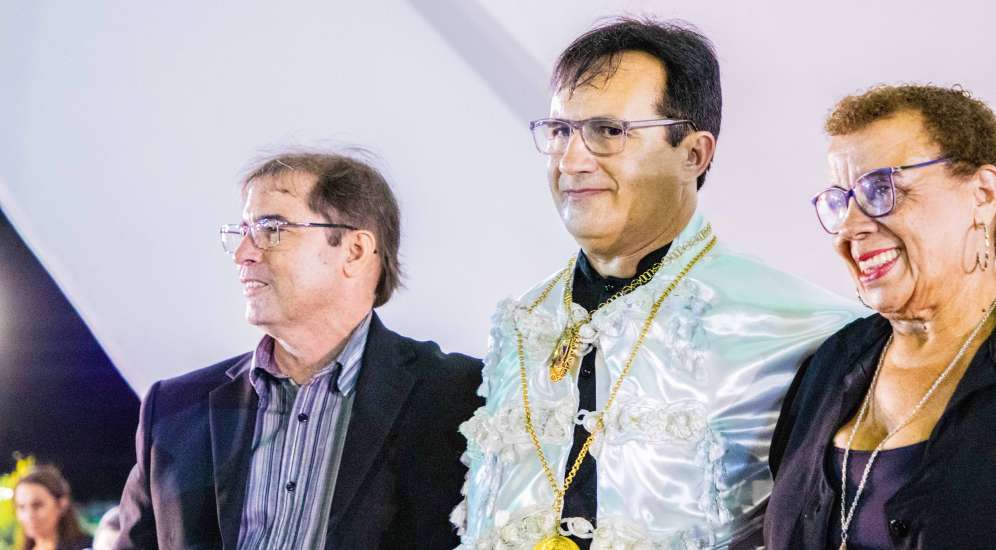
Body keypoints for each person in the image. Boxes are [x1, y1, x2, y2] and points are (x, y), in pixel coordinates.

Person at [452, 17, 861, 549]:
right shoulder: (522, 320)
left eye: (608, 131)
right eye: (560, 132)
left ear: (693, 154)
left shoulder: (807, 328)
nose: (571, 161)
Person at [114, 151, 482, 549]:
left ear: (355, 251)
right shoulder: (174, 411)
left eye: (272, 229)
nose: (243, 253)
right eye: (243, 231)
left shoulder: (460, 398)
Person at [765, 84, 996, 548]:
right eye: (841, 200)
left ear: (983, 194)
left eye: (882, 189)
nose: (850, 227)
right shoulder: (830, 363)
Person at [14, 465, 92, 550]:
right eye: (21, 507)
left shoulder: (91, 546)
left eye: (37, 505)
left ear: (61, 504)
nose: (29, 515)